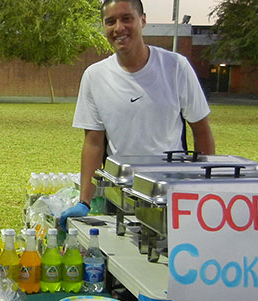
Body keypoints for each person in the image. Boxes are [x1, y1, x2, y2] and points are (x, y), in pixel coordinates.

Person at [61, 0, 214, 225]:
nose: (118, 28)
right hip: (120, 195)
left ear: (142, 20)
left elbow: (201, 131)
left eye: (127, 18)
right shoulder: (95, 76)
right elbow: (94, 143)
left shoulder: (175, 67)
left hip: (170, 193)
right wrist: (84, 202)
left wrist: (206, 189)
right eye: (110, 21)